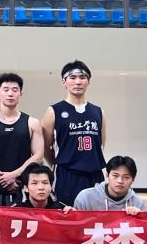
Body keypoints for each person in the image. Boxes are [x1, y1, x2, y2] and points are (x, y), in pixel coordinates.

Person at [41, 60, 106, 205]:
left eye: (82, 77)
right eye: (72, 77)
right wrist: (58, 163)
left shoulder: (98, 112)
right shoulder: (54, 111)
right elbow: (45, 147)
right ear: (64, 82)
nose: (78, 82)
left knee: (95, 215)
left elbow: (101, 144)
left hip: (94, 175)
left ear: (88, 82)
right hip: (67, 175)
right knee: (65, 214)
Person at [0, 73, 44, 206]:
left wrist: (14, 175)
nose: (10, 94)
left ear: (20, 94)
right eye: (6, 90)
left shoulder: (32, 123)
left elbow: (38, 156)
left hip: (23, 188)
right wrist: (2, 177)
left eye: (15, 90)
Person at [74, 155, 146, 213]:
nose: (120, 181)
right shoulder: (85, 198)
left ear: (133, 179)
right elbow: (76, 223)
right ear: (107, 175)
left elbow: (144, 226)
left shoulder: (138, 203)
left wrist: (139, 217)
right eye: (115, 176)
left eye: (126, 177)